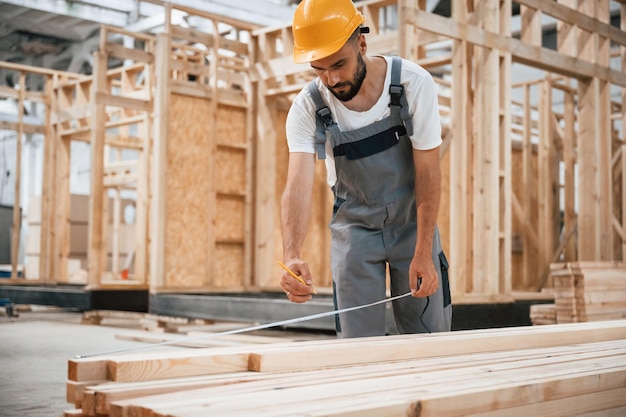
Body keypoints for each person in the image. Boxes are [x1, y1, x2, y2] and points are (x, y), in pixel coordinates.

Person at [279, 0, 452, 338]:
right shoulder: (308, 107)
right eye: (319, 68)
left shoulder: (414, 84)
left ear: (361, 43)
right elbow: (296, 185)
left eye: (339, 64)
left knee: (428, 337)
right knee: (357, 347)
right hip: (354, 231)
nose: (331, 78)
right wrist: (292, 254)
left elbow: (429, 173)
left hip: (412, 226)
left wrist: (424, 252)